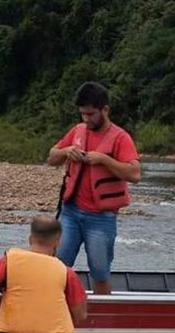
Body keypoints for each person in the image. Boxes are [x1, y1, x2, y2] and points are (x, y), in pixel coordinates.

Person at [47, 82, 141, 295]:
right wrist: (66, 152)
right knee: (58, 266)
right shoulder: (78, 131)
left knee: (100, 271)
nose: (86, 120)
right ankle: (54, 308)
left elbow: (135, 174)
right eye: (83, 114)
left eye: (90, 114)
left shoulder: (120, 138)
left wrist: (104, 160)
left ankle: (103, 314)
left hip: (101, 217)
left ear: (105, 110)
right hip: (70, 212)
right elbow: (52, 157)